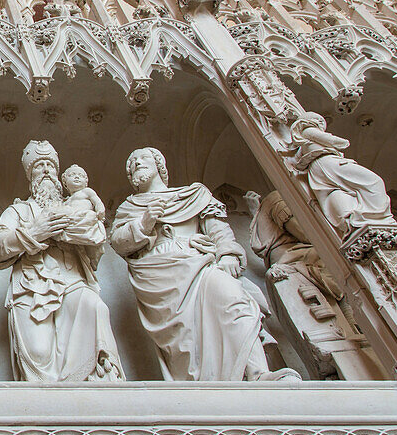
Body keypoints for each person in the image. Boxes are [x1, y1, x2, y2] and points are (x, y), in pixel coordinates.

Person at [111, 147, 299, 381]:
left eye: (143, 158)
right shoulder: (129, 208)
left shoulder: (193, 195)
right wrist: (144, 222)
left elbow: (218, 229)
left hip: (199, 262)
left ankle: (258, 374)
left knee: (233, 299)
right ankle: (198, 385)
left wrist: (228, 254)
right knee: (186, 339)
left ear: (159, 164)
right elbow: (119, 243)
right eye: (132, 163)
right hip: (158, 273)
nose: (137, 163)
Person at [0, 142, 123, 382]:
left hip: (72, 279)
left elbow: (97, 236)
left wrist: (71, 229)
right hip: (31, 286)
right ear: (31, 176)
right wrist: (34, 232)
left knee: (95, 307)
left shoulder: (74, 205)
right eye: (39, 167)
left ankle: (97, 386)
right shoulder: (19, 211)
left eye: (50, 166)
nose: (46, 171)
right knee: (39, 352)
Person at [288, 112, 393, 232]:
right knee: (374, 181)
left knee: (341, 194)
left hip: (321, 167)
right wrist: (342, 142)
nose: (322, 123)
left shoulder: (303, 142)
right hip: (328, 163)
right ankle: (377, 214)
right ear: (308, 120)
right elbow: (332, 141)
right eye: (319, 120)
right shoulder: (308, 130)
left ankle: (362, 218)